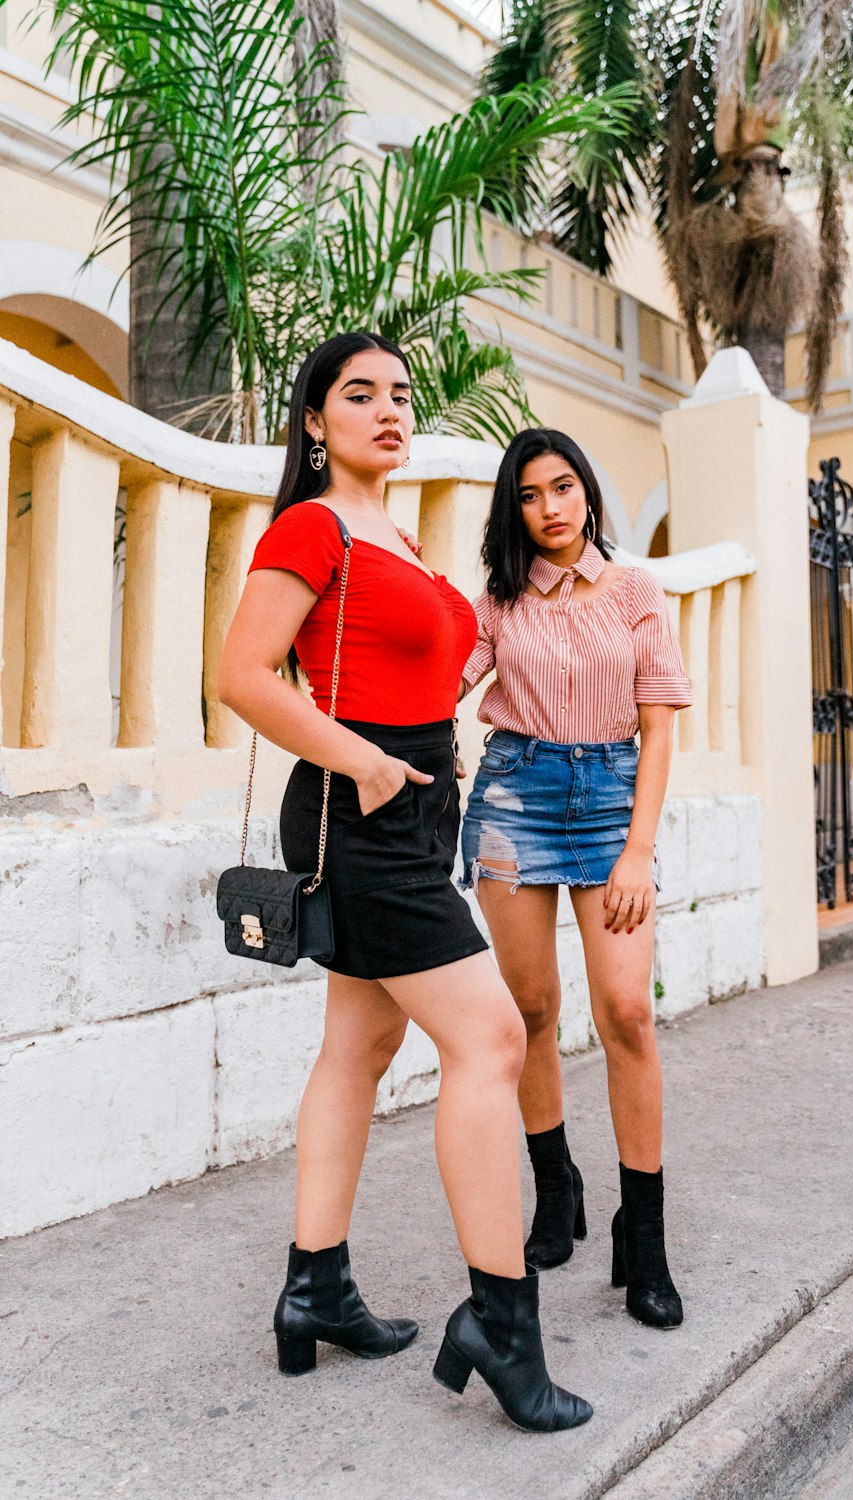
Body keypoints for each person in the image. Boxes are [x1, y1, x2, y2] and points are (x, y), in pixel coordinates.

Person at [218, 336, 591, 1431]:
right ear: (313, 421)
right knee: (489, 1041)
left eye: (399, 397)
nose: (387, 411)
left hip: (412, 807)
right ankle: (499, 1321)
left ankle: (314, 1286)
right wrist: (369, 763)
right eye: (357, 395)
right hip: (362, 805)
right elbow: (239, 674)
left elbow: (446, 660)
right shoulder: (313, 525)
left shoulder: (403, 537)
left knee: (359, 1045)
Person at [458, 428, 692, 1328]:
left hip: (608, 804)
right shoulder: (499, 599)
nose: (550, 508)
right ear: (512, 509)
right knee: (531, 1012)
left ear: (587, 494)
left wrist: (638, 849)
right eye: (529, 494)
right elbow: (444, 681)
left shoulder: (635, 590)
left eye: (563, 488)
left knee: (627, 1011)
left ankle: (647, 1234)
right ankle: (556, 1191)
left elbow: (660, 724)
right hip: (514, 797)